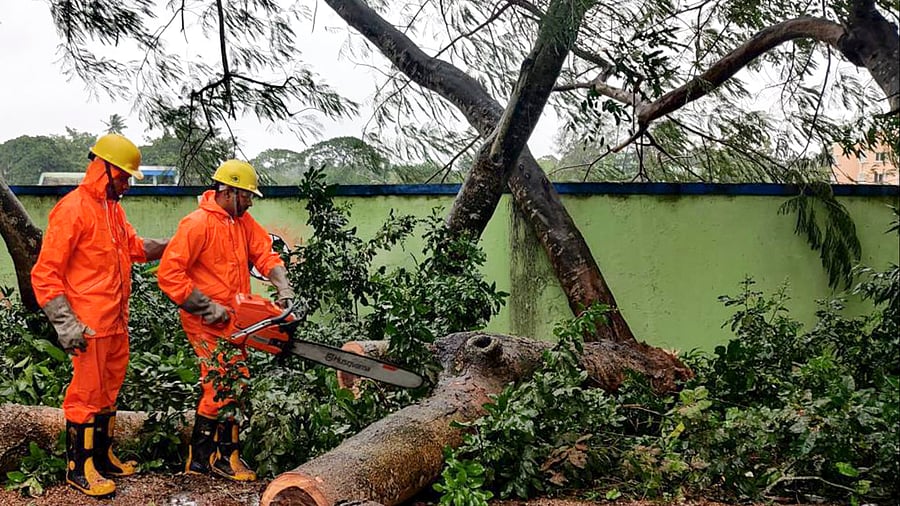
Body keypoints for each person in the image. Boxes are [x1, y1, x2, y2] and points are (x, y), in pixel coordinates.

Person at [31, 133, 169, 497]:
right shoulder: (73, 209)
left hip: (115, 321)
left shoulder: (113, 210)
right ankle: (79, 466)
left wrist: (174, 245)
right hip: (88, 324)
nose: (126, 184)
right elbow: (45, 273)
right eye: (123, 177)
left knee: (108, 393)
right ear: (104, 169)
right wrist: (65, 323)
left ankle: (103, 456)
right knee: (86, 395)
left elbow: (135, 247)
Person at [156, 159, 294, 482]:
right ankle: (203, 461)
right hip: (204, 319)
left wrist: (283, 285)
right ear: (229, 191)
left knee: (236, 380)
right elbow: (169, 275)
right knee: (221, 382)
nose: (249, 202)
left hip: (235, 318)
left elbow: (265, 253)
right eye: (246, 196)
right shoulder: (196, 224)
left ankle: (226, 455)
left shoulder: (242, 223)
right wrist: (206, 307)